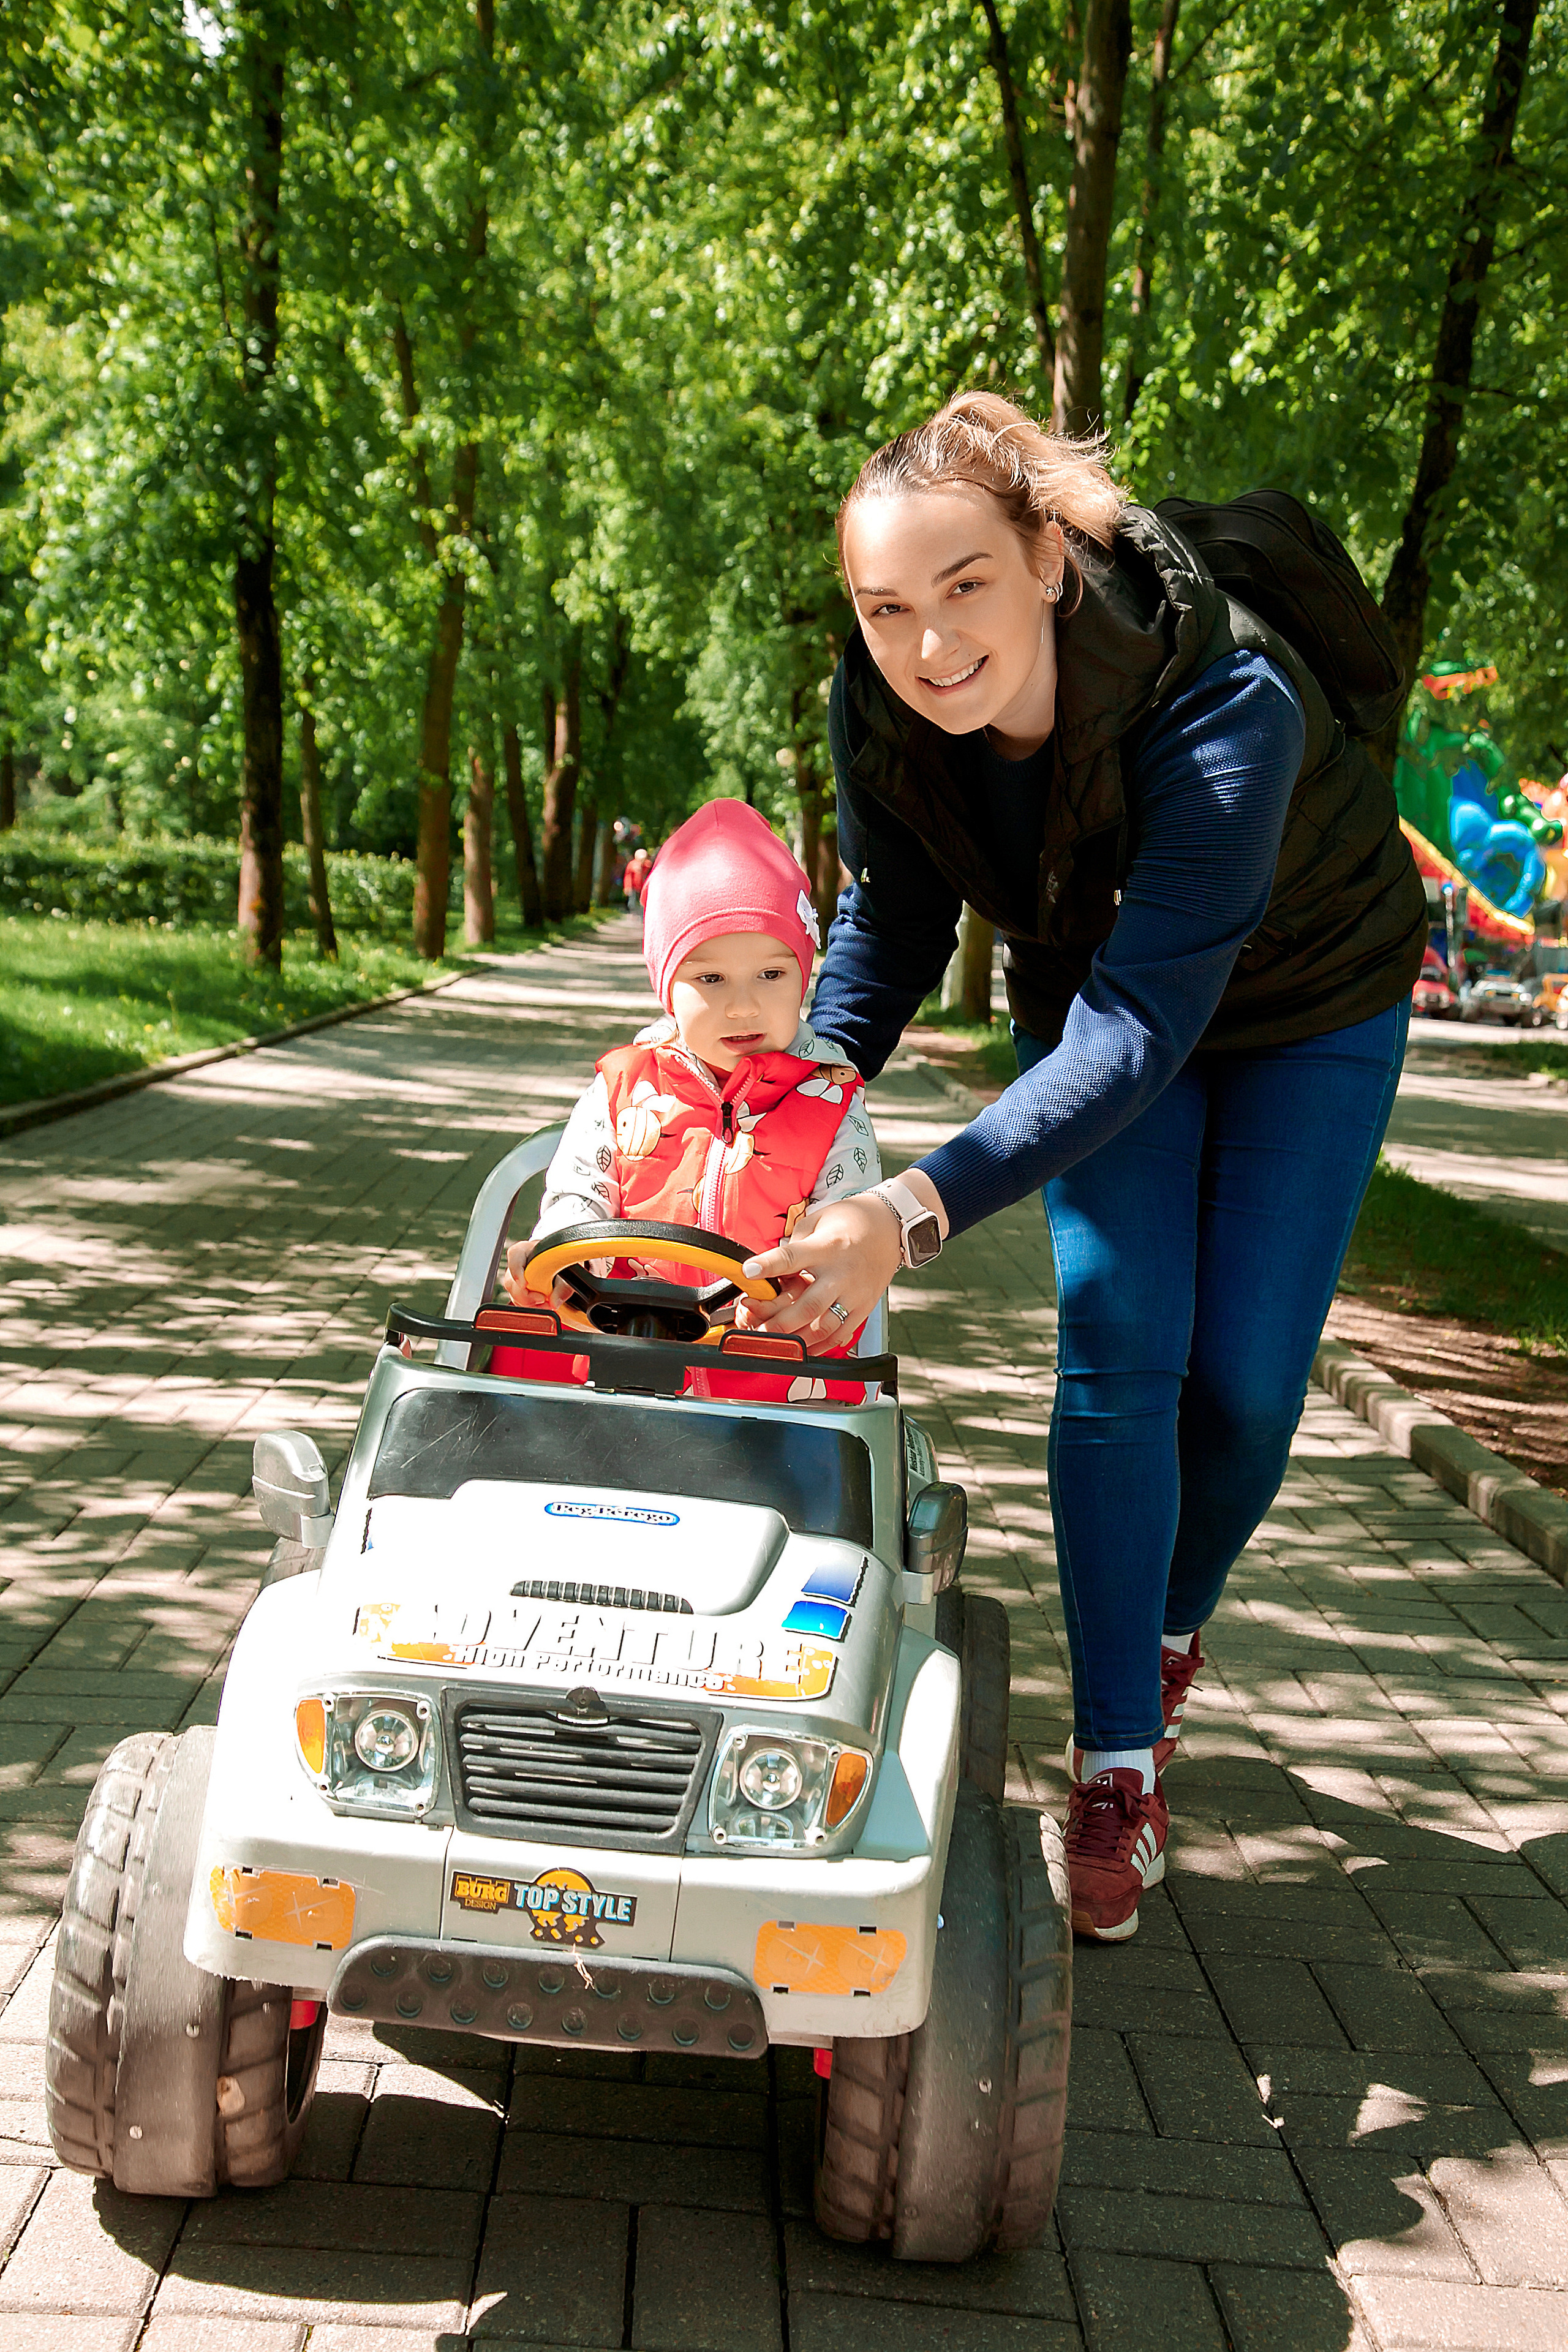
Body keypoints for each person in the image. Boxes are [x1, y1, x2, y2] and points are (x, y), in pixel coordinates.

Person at [738, 390, 1426, 1942]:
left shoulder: (1224, 698)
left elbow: (1133, 1036)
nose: (927, 646)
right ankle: (1115, 1751)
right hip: (1098, 975)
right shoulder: (882, 701)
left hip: (1303, 1000)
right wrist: (795, 1090)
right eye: (885, 607)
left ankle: (1162, 1625)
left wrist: (902, 1212)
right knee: (1121, 1346)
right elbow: (893, 922)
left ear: (1047, 555)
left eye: (962, 586)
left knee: (1244, 1384)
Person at [503, 798, 884, 1396]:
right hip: (618, 1363)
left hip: (774, 1376)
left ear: (804, 972)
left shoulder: (830, 1101)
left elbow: (845, 1224)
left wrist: (812, 1280)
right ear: (666, 985)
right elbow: (581, 1191)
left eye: (772, 974)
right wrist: (566, 1259)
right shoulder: (623, 1087)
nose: (743, 1006)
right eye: (710, 979)